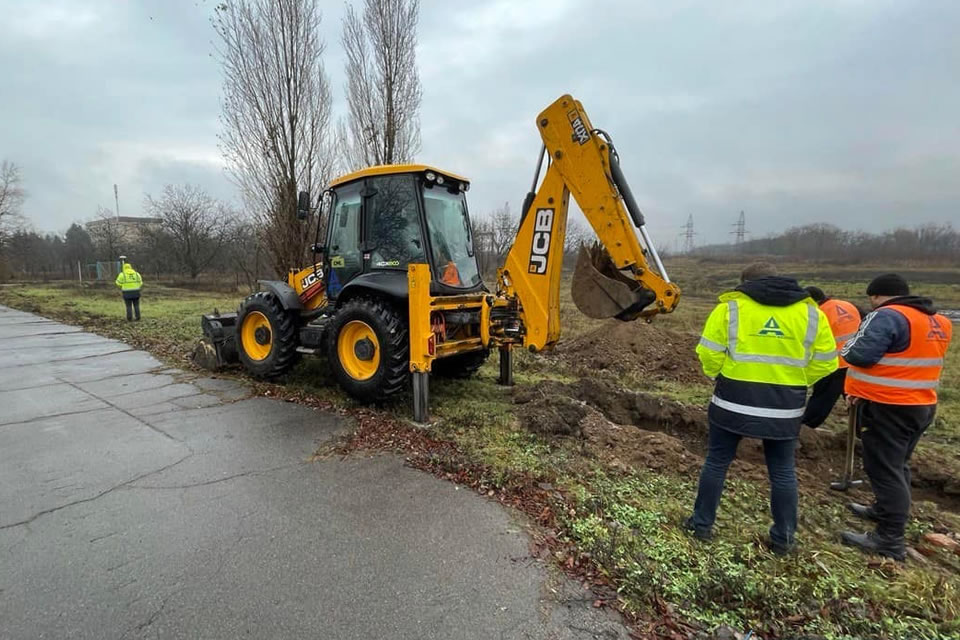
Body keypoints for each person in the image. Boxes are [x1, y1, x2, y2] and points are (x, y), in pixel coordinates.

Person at [685, 262, 838, 554]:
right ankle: (784, 539)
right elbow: (827, 362)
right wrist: (796, 382)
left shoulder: (730, 309)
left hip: (732, 402)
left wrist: (720, 374)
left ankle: (701, 525)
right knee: (782, 471)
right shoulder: (811, 313)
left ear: (745, 284)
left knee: (717, 462)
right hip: (784, 409)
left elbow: (708, 352)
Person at [840, 274, 952, 561]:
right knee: (898, 463)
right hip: (921, 404)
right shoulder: (937, 320)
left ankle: (889, 538)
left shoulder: (886, 316)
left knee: (884, 468)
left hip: (889, 406)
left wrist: (846, 346)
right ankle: (883, 510)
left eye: (871, 299)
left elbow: (860, 354)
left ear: (878, 296)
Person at [801, 286, 862, 428]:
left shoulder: (816, 314)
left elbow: (810, 341)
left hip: (833, 364)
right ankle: (862, 431)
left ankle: (805, 429)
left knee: (821, 400)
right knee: (854, 400)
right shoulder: (847, 305)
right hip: (855, 362)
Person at [114, 256, 143, 321]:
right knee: (136, 305)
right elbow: (141, 282)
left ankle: (129, 318)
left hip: (127, 293)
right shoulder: (136, 274)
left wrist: (123, 285)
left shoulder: (122, 274)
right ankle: (138, 317)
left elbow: (117, 283)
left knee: (128, 306)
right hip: (136, 292)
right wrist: (136, 286)